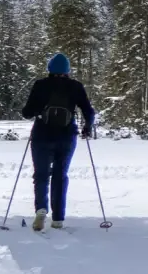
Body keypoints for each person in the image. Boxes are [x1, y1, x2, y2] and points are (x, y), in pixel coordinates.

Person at [22, 54, 96, 231]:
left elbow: (27, 112)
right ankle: (58, 218)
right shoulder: (75, 86)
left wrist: (37, 111)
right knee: (60, 175)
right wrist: (87, 127)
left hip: (42, 135)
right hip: (66, 136)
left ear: (50, 68)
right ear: (67, 70)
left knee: (41, 174)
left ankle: (41, 210)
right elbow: (89, 111)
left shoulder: (40, 85)